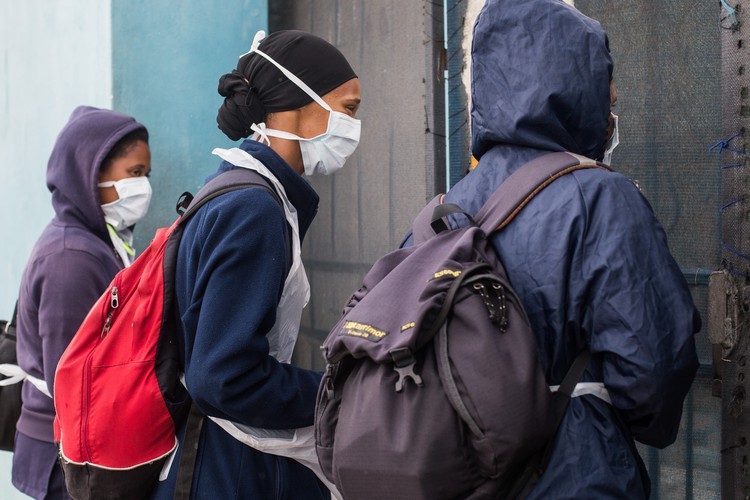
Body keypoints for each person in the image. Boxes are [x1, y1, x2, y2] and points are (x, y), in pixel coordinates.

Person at [439, 0, 699, 497]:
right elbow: (652, 375)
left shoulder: (449, 205)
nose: (614, 98)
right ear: (575, 83)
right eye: (606, 79)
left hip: (466, 475)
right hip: (574, 474)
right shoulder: (600, 197)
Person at [151, 30, 361, 499]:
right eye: (348, 108)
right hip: (224, 470)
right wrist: (341, 394)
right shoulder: (254, 208)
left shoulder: (236, 186)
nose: (354, 125)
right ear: (295, 102)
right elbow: (224, 377)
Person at [13, 106, 152, 499]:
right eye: (135, 173)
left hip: (71, 450)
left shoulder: (97, 240)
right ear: (90, 174)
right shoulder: (71, 258)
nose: (144, 187)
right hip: (67, 459)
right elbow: (72, 380)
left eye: (147, 174)